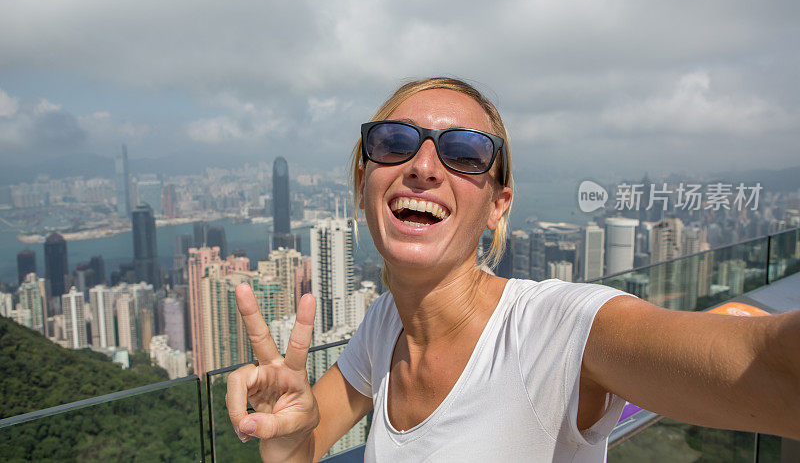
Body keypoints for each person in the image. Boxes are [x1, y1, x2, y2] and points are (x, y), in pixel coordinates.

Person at [226, 77, 800, 462]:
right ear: (363, 183)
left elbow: (771, 365)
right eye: (395, 142)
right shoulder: (385, 327)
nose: (424, 166)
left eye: (466, 153)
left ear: (498, 205)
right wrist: (287, 438)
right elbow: (307, 438)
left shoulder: (553, 327)